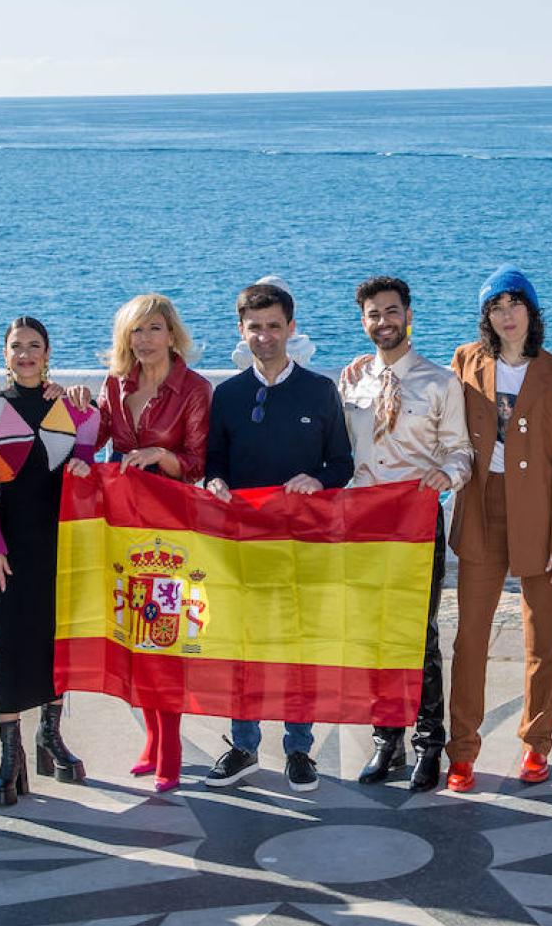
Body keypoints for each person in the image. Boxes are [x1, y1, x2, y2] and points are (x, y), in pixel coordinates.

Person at [201, 283, 354, 790]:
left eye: (273, 326)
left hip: (304, 544)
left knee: (297, 650)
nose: (264, 336)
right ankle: (243, 746)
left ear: (291, 328)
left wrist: (319, 479)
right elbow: (214, 462)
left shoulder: (319, 390)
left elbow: (343, 463)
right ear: (241, 332)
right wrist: (214, 481)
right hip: (241, 545)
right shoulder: (226, 395)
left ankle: (299, 750)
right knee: (243, 648)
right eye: (255, 328)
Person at [446, 266, 552, 792]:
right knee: (469, 640)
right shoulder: (466, 361)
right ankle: (462, 751)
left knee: (541, 640)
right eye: (496, 306)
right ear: (486, 315)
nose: (506, 314)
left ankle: (535, 744)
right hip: (481, 511)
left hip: (542, 519)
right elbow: (435, 413)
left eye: (515, 303)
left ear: (531, 311)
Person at [67, 293, 211, 792]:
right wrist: (79, 414)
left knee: (165, 635)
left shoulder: (193, 389)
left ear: (172, 334)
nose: (144, 339)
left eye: (153, 329)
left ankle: (169, 747)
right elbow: (93, 438)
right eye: (136, 330)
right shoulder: (115, 384)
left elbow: (197, 463)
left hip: (172, 529)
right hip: (125, 526)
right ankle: (151, 739)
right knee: (134, 630)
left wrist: (159, 455)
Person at [339, 276, 473, 791]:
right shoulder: (351, 383)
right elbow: (340, 452)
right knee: (375, 634)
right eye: (373, 314)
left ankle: (427, 742)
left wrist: (449, 474)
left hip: (416, 520)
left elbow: (461, 449)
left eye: (391, 312)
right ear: (363, 321)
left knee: (419, 634)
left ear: (408, 314)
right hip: (366, 523)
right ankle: (385, 741)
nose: (383, 322)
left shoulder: (439, 383)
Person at [0, 317, 99, 805]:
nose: (25, 354)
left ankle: (50, 736)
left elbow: (91, 448)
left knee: (54, 641)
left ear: (48, 353)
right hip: (9, 546)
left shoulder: (73, 407)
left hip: (62, 547)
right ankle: (9, 752)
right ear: (4, 354)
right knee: (10, 646)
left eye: (34, 346)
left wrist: (84, 457)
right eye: (16, 346)